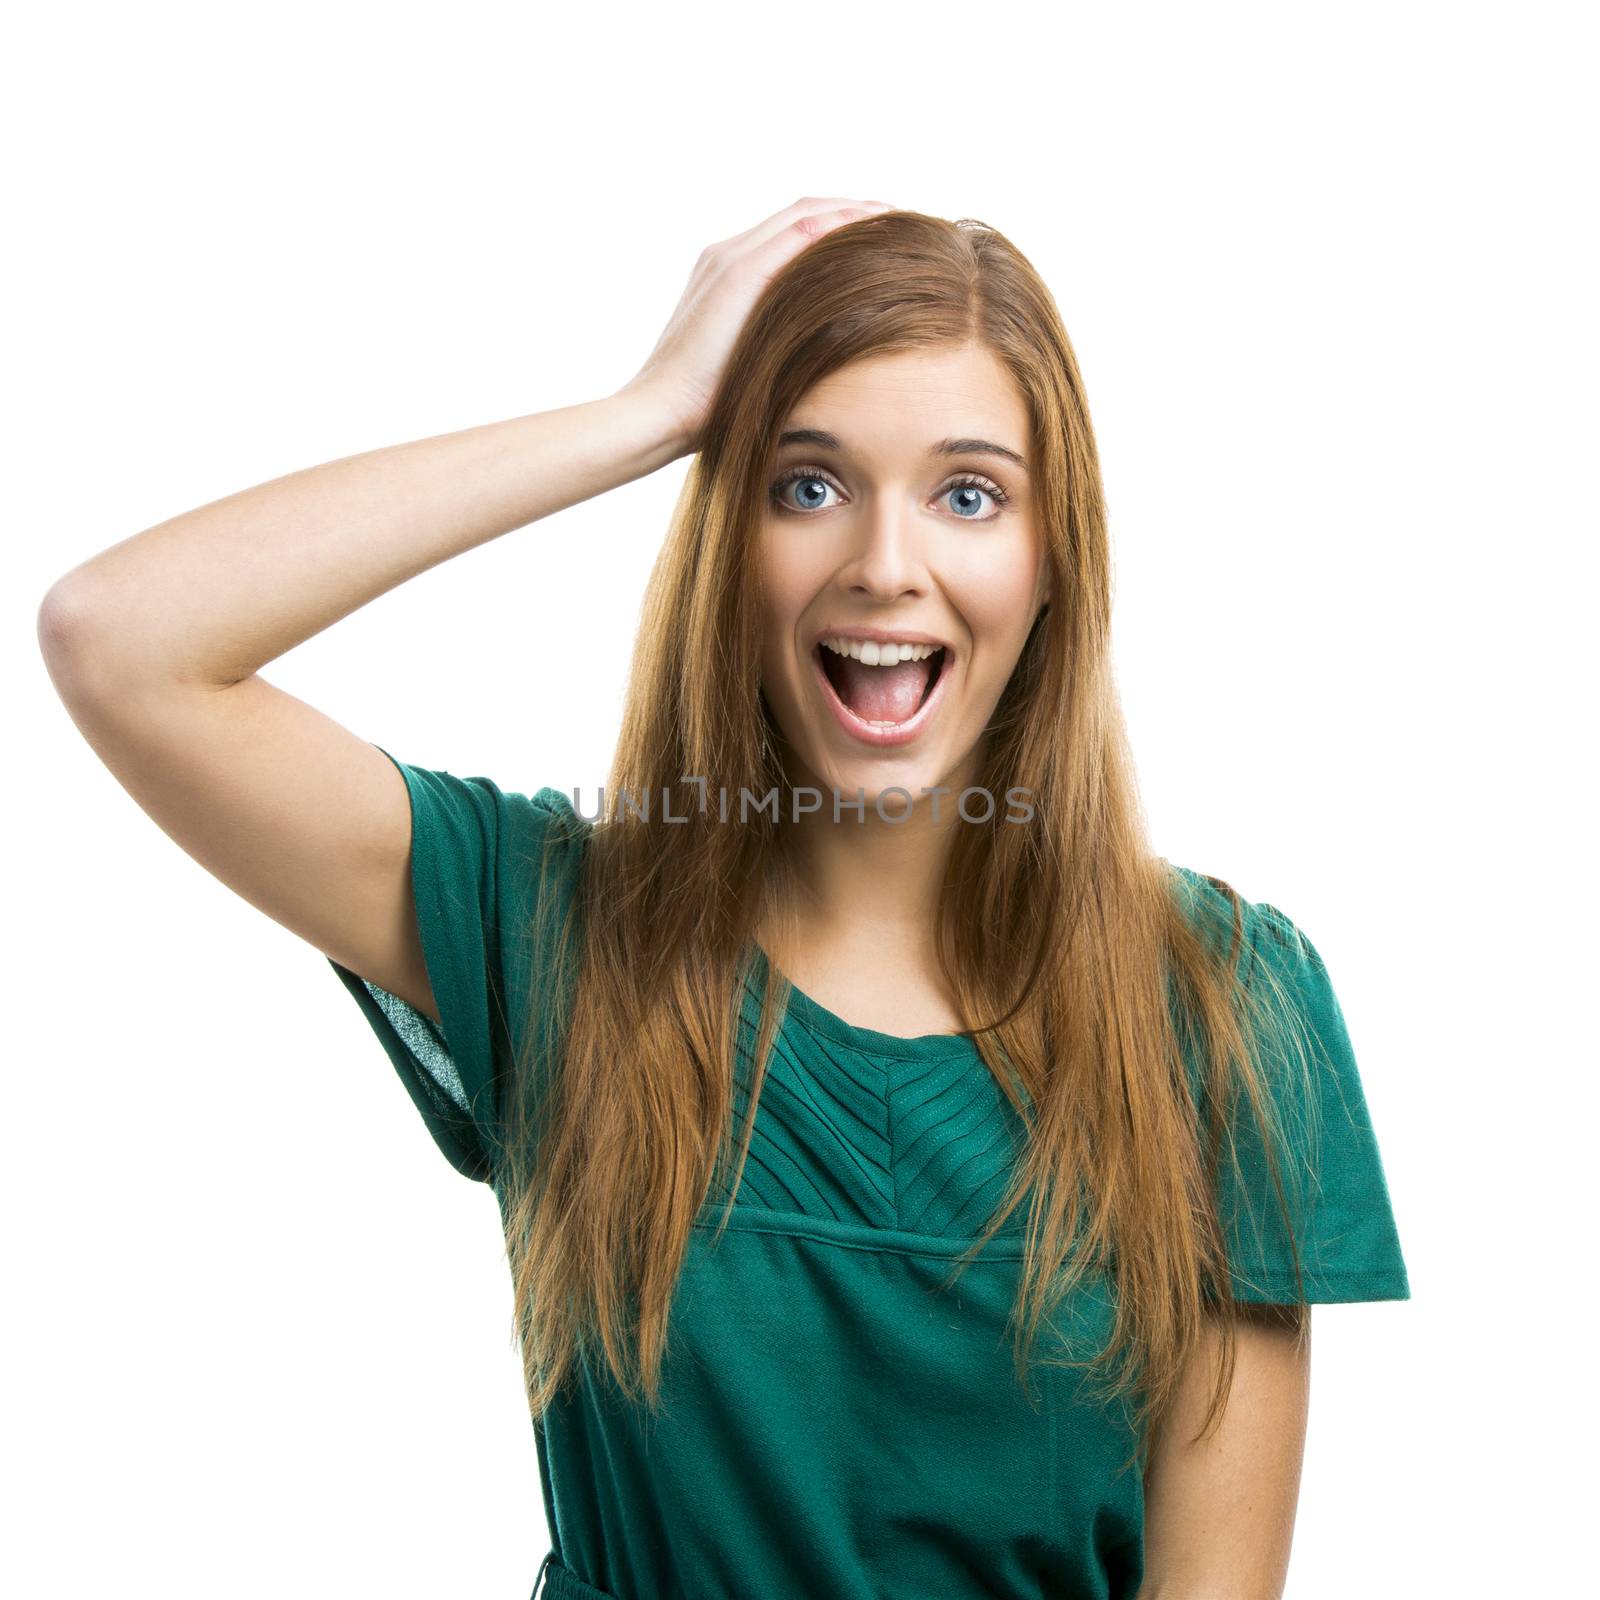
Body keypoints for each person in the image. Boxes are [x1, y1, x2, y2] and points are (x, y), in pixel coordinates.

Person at [38, 197, 1410, 1600]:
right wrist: (643, 416)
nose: (885, 564)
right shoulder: (552, 932)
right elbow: (123, 641)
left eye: (969, 493)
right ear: (727, 536)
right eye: (806, 485)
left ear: (1056, 560)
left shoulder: (1220, 1001)